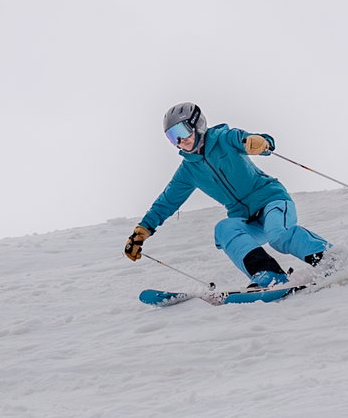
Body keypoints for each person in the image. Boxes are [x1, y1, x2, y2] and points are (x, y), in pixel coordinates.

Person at [124, 102, 331, 288]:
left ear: (198, 125)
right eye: (172, 137)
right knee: (224, 229)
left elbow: (253, 141)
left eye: (182, 131)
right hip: (245, 218)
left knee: (278, 235)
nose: (180, 140)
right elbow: (166, 202)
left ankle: (331, 258)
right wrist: (143, 229)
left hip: (271, 200)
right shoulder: (188, 170)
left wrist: (260, 142)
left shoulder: (224, 138)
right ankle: (268, 275)